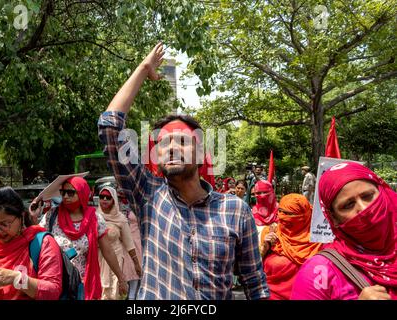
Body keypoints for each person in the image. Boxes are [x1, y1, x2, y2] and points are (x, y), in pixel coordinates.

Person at [98, 42, 269, 300]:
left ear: (201, 154)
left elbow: (255, 286)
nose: (171, 147)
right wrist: (144, 68)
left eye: (182, 141)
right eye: (164, 143)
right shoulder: (148, 196)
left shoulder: (235, 210)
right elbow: (110, 127)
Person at [291, 162, 397, 300]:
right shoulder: (319, 271)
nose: (363, 208)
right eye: (348, 205)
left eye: (368, 196)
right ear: (333, 218)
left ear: (383, 193)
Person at [30, 176, 128, 300]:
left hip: (82, 284)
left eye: (70, 193)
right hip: (55, 281)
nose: (65, 196)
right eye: (63, 192)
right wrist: (33, 218)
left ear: (82, 193)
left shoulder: (95, 219)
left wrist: (121, 278)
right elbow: (36, 239)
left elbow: (107, 251)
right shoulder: (52, 216)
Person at [0, 187, 63, 300]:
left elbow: (53, 291)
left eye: (5, 224)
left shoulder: (42, 243)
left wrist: (17, 278)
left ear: (21, 217)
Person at [260, 194, 323, 299]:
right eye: (280, 211)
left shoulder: (319, 241)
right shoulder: (270, 233)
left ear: (304, 216)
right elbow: (253, 268)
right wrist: (263, 249)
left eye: (289, 214)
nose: (282, 216)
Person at [97, 187, 141, 300]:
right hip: (97, 261)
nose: (104, 200)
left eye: (108, 197)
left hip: (115, 262)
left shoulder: (120, 219)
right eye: (102, 197)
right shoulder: (93, 216)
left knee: (113, 294)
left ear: (114, 200)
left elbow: (129, 243)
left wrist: (136, 263)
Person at [118, 189, 143, 300]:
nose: (121, 194)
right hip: (125, 245)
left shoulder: (138, 205)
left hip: (139, 244)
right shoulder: (116, 206)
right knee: (132, 282)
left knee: (139, 282)